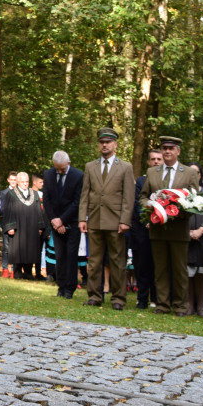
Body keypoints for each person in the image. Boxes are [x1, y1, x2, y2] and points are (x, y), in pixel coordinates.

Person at [140, 135, 199, 316]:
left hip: (179, 228)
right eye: (164, 148)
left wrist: (178, 211)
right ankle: (162, 304)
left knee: (180, 269)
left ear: (178, 151)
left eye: (171, 148)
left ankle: (181, 306)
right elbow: (143, 197)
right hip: (157, 228)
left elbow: (195, 200)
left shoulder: (188, 173)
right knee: (161, 268)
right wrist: (151, 207)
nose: (167, 151)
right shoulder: (152, 172)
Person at [79, 127, 135, 310]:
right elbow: (85, 194)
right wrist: (82, 218)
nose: (104, 145)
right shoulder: (90, 166)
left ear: (115, 145)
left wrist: (125, 220)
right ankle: (94, 296)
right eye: (102, 142)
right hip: (95, 219)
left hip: (116, 221)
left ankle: (118, 298)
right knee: (94, 261)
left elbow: (128, 196)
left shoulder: (125, 167)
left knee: (117, 261)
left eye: (108, 142)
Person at [42, 151, 83, 299]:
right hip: (55, 222)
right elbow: (46, 200)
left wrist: (63, 220)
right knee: (59, 256)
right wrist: (54, 220)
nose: (59, 172)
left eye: (62, 169)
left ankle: (70, 289)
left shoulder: (79, 176)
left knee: (71, 255)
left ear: (69, 163)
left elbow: (77, 202)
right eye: (57, 169)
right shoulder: (48, 174)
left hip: (72, 221)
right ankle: (61, 286)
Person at [130, 149, 162, 309]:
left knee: (159, 265)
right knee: (142, 265)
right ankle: (142, 299)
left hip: (163, 229)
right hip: (143, 230)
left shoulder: (167, 181)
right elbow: (137, 203)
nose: (156, 161)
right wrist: (147, 221)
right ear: (148, 162)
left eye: (159, 159)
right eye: (153, 159)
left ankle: (157, 298)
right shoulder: (141, 181)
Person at [0, 172, 45, 279]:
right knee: (17, 248)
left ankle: (28, 272)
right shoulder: (11, 194)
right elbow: (7, 211)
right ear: (18, 182)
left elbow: (39, 210)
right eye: (22, 182)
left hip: (31, 226)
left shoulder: (34, 194)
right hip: (17, 226)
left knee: (30, 248)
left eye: (26, 182)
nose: (25, 184)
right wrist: (10, 227)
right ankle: (17, 271)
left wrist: (40, 226)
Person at [186, 162, 203, 317]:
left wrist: (201, 230)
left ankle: (201, 307)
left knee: (200, 274)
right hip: (186, 238)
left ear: (200, 175)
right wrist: (187, 232)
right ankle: (189, 306)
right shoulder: (182, 193)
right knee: (188, 274)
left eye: (195, 172)